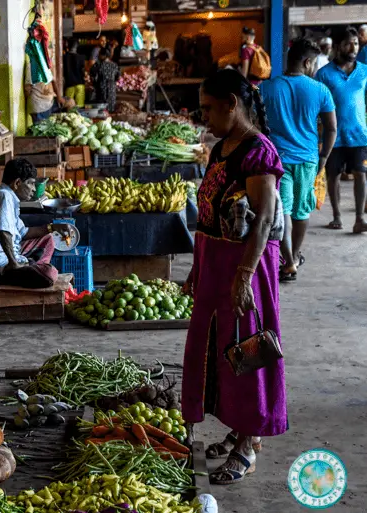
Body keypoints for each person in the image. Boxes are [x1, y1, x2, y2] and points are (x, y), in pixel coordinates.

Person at [182, 69, 287, 485]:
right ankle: (241, 429)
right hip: (214, 262)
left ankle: (249, 442)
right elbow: (208, 217)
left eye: (209, 108)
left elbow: (262, 221)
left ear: (232, 104)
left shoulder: (258, 152)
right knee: (214, 349)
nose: (204, 116)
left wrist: (244, 275)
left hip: (246, 263)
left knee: (246, 351)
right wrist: (196, 266)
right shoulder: (221, 147)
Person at [261, 39, 337, 281]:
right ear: (306, 62)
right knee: (301, 210)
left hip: (276, 160)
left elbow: (256, 125)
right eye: (313, 63)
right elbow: (331, 128)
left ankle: (288, 262)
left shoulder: (266, 88)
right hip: (307, 160)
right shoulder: (320, 90)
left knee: (282, 209)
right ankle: (294, 255)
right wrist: (324, 156)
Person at [0, 158, 70, 288]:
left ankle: (29, 268)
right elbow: (3, 232)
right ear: (17, 183)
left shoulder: (10, 198)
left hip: (9, 256)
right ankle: (19, 270)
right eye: (31, 183)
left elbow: (24, 232)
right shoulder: (3, 196)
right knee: (49, 273)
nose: (34, 189)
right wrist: (13, 262)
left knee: (48, 238)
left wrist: (53, 227)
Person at [316, 27, 367, 233]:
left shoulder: (364, 71)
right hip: (333, 136)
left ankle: (359, 219)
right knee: (333, 176)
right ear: (337, 47)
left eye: (355, 43)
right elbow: (317, 106)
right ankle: (336, 216)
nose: (353, 47)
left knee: (361, 175)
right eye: (348, 43)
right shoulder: (324, 74)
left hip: (360, 135)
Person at [64, 39, 87, 108]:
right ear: (77, 47)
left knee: (69, 108)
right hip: (80, 85)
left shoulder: (64, 57)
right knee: (79, 108)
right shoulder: (81, 57)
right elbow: (83, 71)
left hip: (69, 86)